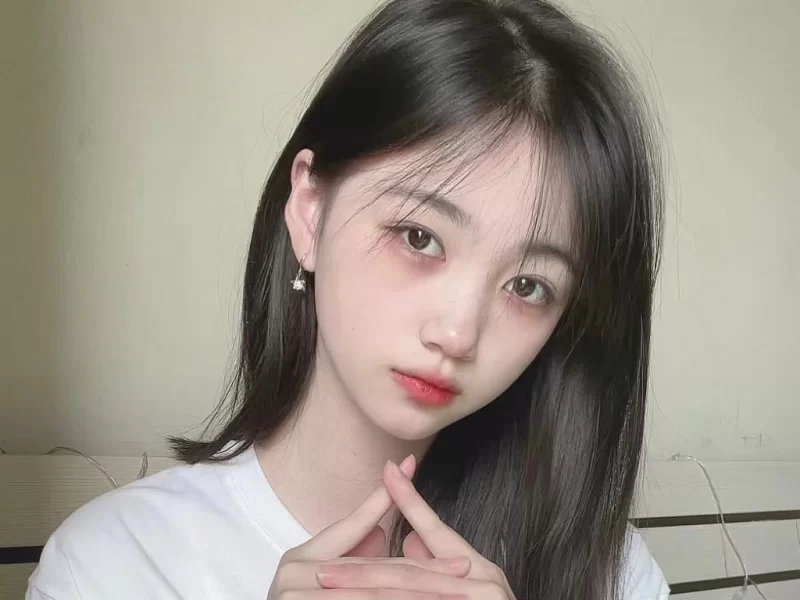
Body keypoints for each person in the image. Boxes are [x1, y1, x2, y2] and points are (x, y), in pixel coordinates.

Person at [27, 0, 670, 598]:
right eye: (419, 238)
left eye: (527, 286)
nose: (456, 334)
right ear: (310, 211)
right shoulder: (113, 565)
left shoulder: (611, 571)